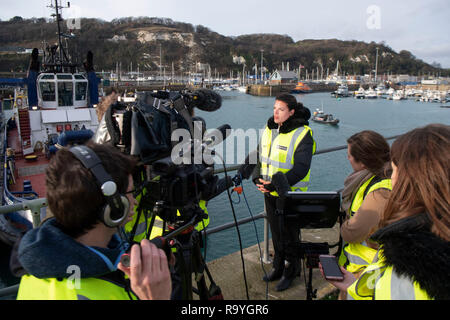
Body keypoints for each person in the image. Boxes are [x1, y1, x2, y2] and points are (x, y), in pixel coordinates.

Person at [13, 141, 172, 300]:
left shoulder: (39, 264)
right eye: (130, 192)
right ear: (115, 207)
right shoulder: (79, 295)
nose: (135, 201)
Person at [322, 123, 450, 300]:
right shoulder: (425, 242)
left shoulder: (409, 257)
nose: (392, 176)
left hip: (361, 266)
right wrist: (354, 286)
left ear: (416, 179)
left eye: (396, 169)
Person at [238, 93, 316, 291]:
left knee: (290, 236)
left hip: (290, 194)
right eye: (274, 108)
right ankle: (278, 267)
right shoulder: (270, 128)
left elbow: (301, 168)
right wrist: (256, 177)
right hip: (270, 193)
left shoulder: (302, 134)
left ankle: (292, 271)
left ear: (291, 112)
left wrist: (275, 185)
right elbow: (260, 154)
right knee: (276, 234)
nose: (276, 112)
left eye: (281, 109)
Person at [338, 131, 391, 277]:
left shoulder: (381, 191)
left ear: (362, 162)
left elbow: (353, 233)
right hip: (361, 268)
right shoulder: (372, 179)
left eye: (349, 155)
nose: (348, 158)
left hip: (367, 273)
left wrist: (345, 223)